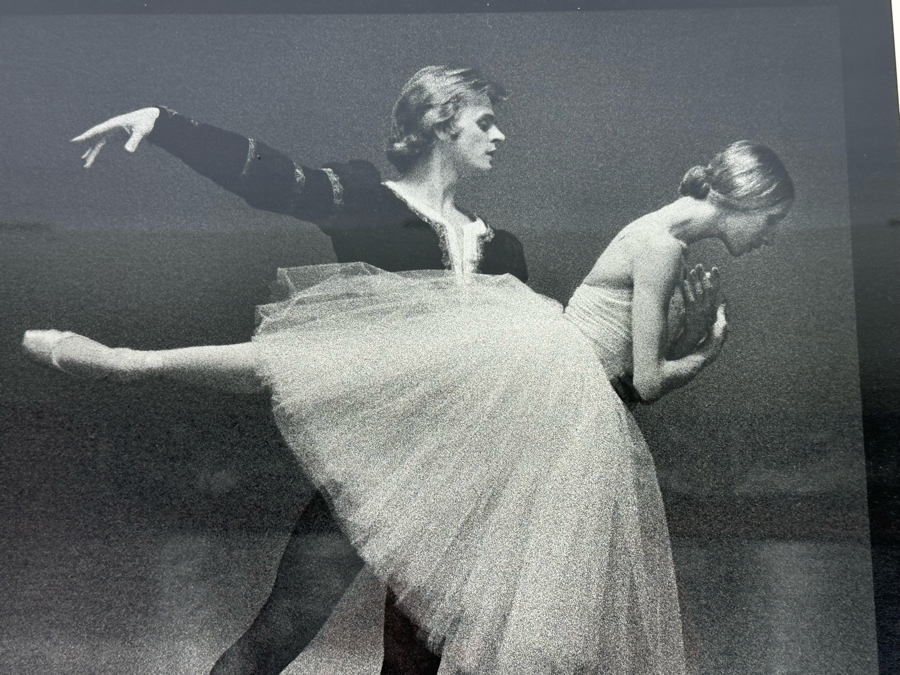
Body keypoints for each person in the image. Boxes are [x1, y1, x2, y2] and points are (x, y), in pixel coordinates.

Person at [22, 140, 794, 673]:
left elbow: (611, 375)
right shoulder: (665, 246)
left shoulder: (663, 235)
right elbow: (647, 383)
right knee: (334, 365)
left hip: (530, 394)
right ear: (746, 200)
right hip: (527, 384)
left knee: (334, 366)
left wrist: (661, 344)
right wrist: (704, 353)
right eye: (772, 221)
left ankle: (135, 361)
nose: (770, 237)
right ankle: (131, 361)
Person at [69, 66, 526, 675]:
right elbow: (277, 178)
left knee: (414, 664)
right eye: (485, 121)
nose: (499, 136)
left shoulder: (503, 250)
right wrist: (165, 125)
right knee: (279, 633)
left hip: (456, 483)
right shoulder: (368, 200)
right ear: (440, 123)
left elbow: (525, 371)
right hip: (369, 466)